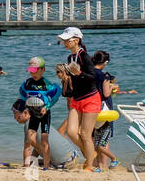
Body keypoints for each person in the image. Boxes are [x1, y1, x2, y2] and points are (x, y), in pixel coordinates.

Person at [55, 27, 100, 172]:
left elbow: (93, 77)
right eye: (64, 40)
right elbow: (77, 79)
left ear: (77, 40)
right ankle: (90, 154)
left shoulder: (84, 57)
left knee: (86, 134)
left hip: (91, 98)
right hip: (77, 98)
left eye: (67, 40)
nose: (64, 42)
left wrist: (79, 73)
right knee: (71, 132)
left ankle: (90, 164)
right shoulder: (70, 58)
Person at [15, 56, 61, 169]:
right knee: (30, 139)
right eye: (31, 71)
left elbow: (55, 96)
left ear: (43, 69)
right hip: (33, 114)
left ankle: (46, 165)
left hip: (44, 114)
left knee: (44, 140)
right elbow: (23, 97)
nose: (32, 74)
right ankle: (46, 156)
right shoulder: (27, 83)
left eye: (35, 71)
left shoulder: (47, 84)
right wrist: (21, 110)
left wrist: (47, 106)